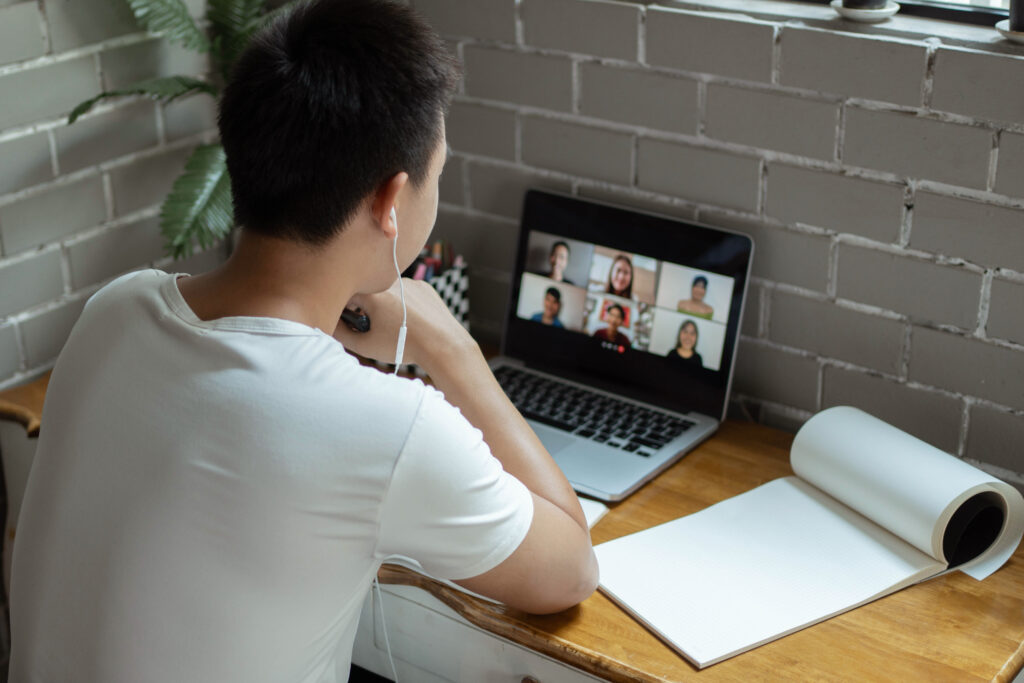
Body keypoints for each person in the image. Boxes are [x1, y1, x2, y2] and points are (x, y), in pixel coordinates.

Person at [9, 2, 598, 681]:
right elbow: (571, 566)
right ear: (391, 202)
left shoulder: (114, 311)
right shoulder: (387, 428)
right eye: (438, 173)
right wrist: (449, 347)